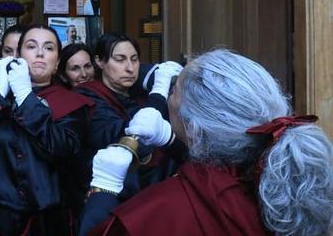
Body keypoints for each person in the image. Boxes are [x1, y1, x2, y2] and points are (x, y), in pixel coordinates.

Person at [80, 49, 333, 236]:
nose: (169, 99)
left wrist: (103, 191)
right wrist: (172, 141)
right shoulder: (286, 179)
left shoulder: (160, 211)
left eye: (173, 91)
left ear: (192, 125)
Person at [0, 24, 93, 235]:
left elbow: (62, 149)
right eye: (31, 47)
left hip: (46, 216)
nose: (39, 53)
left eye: (48, 48)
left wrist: (25, 96)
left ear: (57, 63)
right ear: (18, 56)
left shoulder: (72, 103)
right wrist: (0, 90)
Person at [76, 34, 187, 201]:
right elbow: (136, 131)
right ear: (100, 61)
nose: (129, 68)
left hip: (165, 187)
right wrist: (158, 92)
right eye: (120, 60)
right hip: (119, 195)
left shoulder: (141, 92)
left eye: (134, 60)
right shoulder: (87, 95)